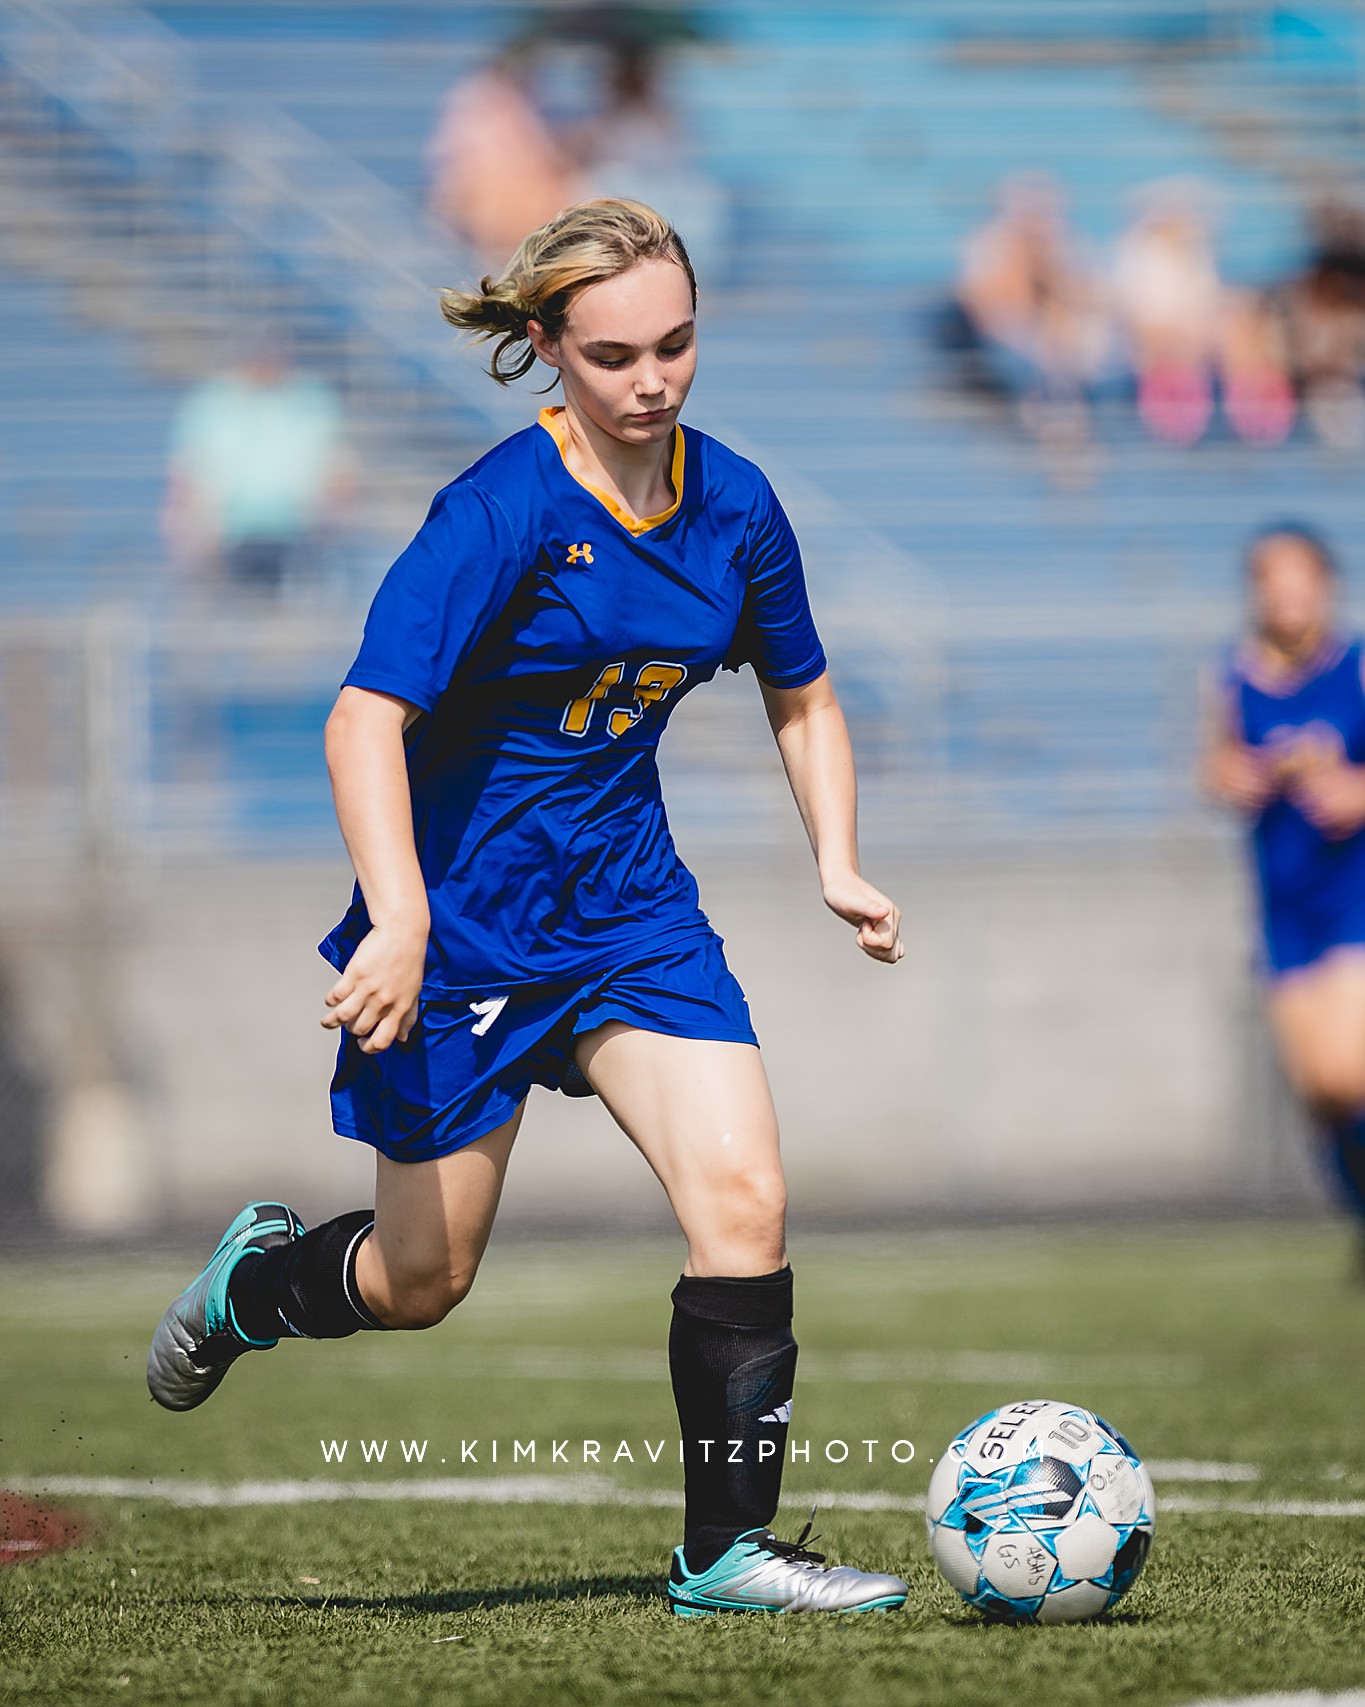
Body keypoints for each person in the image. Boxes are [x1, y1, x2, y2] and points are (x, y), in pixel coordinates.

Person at [146, 199, 910, 1617]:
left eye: (677, 342)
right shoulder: (498, 510)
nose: (654, 377)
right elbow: (363, 718)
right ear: (550, 346)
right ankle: (259, 1283)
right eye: (616, 351)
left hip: (632, 917)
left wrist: (838, 855)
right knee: (424, 1278)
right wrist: (399, 917)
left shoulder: (736, 504)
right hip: (464, 933)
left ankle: (724, 1550)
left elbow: (799, 689)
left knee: (745, 1196)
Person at [1203, 523, 1365, 1247]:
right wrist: (1229, 778)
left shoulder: (1355, 667)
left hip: (1351, 896)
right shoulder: (1231, 677)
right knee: (1320, 1090)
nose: (1289, 596)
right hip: (1282, 905)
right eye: (1274, 581)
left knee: (1348, 1068)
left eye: (1302, 580)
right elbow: (1214, 767)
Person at [161, 343, 350, 600]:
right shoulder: (211, 400)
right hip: (228, 531)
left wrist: (333, 515)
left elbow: (336, 466)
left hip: (296, 528)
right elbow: (187, 473)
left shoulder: (311, 398)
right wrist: (184, 527)